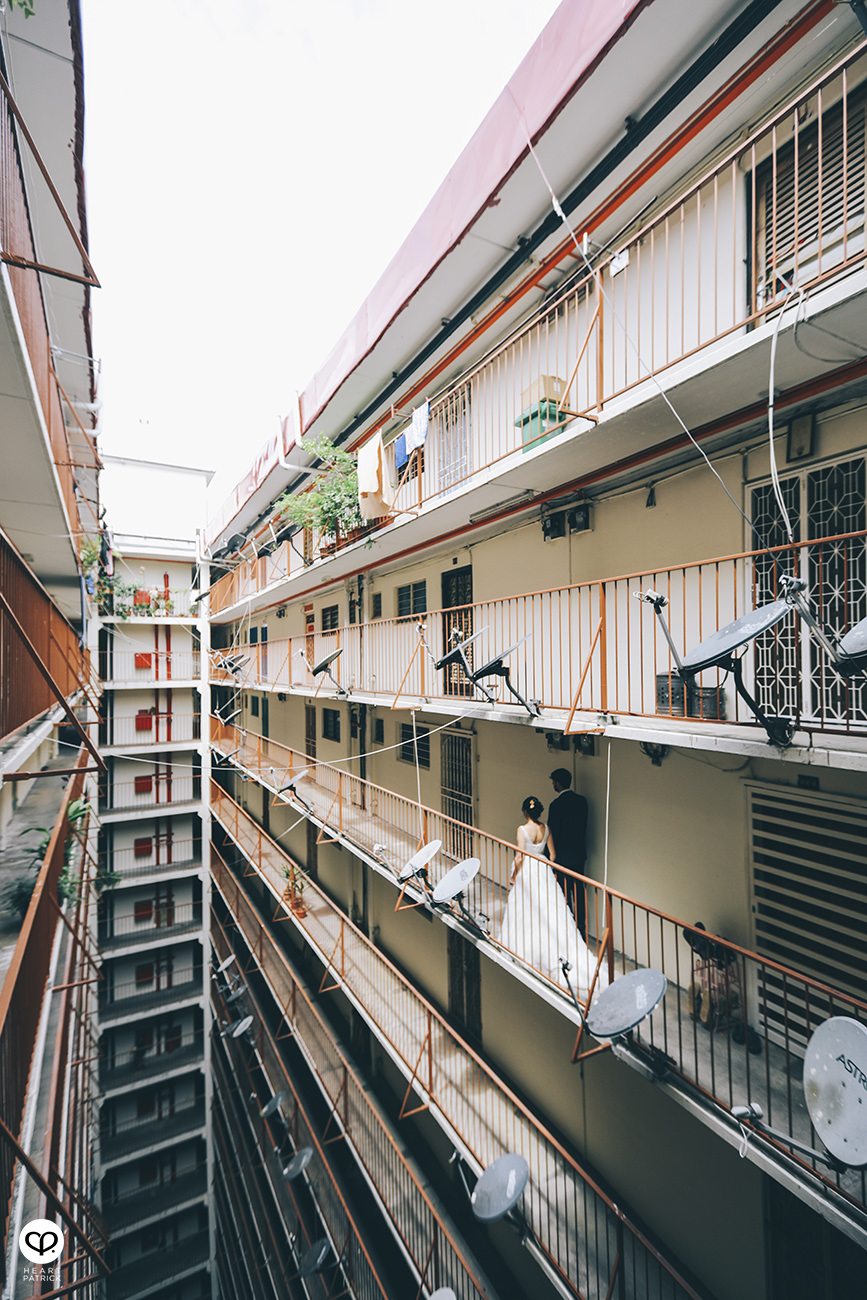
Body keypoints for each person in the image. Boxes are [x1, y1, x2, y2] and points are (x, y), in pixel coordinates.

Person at [498, 796, 605, 1001]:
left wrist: (513, 875)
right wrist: (544, 863)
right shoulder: (546, 828)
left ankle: (526, 948)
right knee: (549, 908)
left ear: (525, 812)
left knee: (526, 908)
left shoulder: (522, 830)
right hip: (543, 868)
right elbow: (553, 855)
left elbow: (520, 855)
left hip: (528, 869)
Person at [547, 768, 588, 938]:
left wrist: (549, 856)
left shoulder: (555, 805)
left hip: (562, 857)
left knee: (564, 895)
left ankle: (568, 931)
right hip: (578, 854)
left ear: (558, 783)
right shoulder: (582, 801)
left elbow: (552, 832)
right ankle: (581, 930)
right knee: (579, 892)